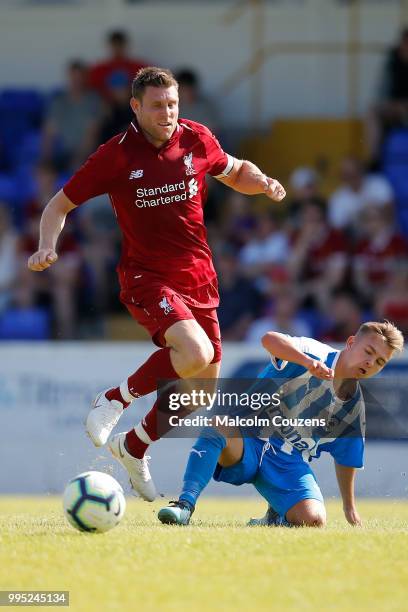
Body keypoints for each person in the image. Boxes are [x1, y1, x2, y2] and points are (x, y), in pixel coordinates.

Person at [27, 66, 286, 502]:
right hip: (148, 277)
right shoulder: (116, 155)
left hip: (200, 278)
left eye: (173, 104)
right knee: (194, 352)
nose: (167, 113)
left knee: (198, 392)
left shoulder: (196, 137)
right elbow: (58, 205)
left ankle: (134, 445)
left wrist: (260, 183)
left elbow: (233, 169)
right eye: (157, 105)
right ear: (135, 107)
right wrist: (45, 246)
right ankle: (113, 399)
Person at [158, 320, 403, 527]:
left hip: (288, 463)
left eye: (380, 362)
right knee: (218, 425)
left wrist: (350, 508)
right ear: (351, 343)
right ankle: (184, 505)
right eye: (368, 352)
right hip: (247, 439)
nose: (371, 363)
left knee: (314, 520)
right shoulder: (313, 352)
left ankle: (275, 517)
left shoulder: (354, 407)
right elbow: (269, 339)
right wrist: (307, 362)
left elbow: (346, 458)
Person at [42, 60, 103, 172]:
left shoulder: (93, 100)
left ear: (85, 78)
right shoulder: (59, 101)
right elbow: (49, 132)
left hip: (86, 154)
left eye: (79, 77)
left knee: (78, 170)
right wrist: (46, 159)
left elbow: (92, 135)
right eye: (73, 77)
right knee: (43, 171)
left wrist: (80, 157)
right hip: (62, 152)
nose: (76, 81)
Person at [89, 30, 148, 102]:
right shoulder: (100, 70)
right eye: (114, 45)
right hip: (107, 107)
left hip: (131, 106)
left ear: (125, 46)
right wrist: (109, 93)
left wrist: (130, 91)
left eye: (120, 45)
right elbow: (91, 89)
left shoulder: (137, 67)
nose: (117, 49)